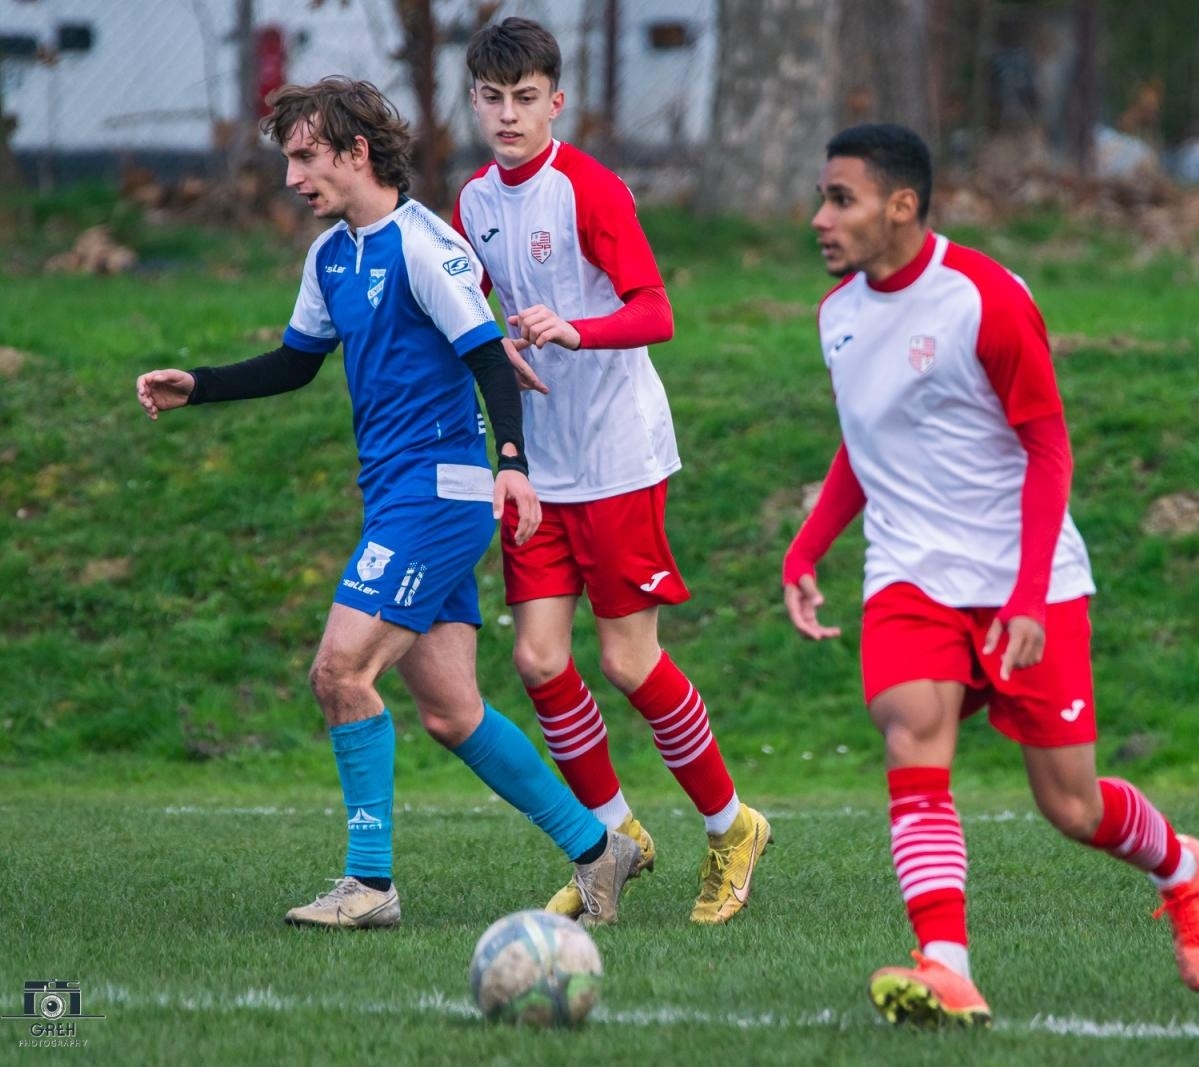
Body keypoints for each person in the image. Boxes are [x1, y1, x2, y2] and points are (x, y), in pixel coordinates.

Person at [134, 77, 639, 930]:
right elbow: (298, 362)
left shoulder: (424, 245)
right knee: (450, 710)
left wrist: (511, 464)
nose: (293, 177)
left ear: (355, 152)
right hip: (396, 500)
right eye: (288, 158)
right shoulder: (330, 256)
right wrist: (202, 386)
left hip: (437, 496)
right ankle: (600, 850)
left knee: (340, 671)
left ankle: (370, 883)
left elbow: (485, 355)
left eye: (305, 156)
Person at [783, 123, 1199, 1027]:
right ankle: (944, 962)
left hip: (1026, 573)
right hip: (910, 571)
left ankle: (1182, 866)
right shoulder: (838, 315)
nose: (821, 218)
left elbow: (1048, 442)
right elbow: (866, 442)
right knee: (913, 729)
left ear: (900, 207)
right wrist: (808, 545)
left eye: (841, 199)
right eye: (824, 198)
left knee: (1070, 803)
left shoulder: (984, 298)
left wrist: (1028, 596)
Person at [451, 18, 768, 925]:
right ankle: (617, 836)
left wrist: (575, 328)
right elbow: (483, 313)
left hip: (618, 457)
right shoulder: (474, 200)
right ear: (474, 101)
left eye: (525, 99)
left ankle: (731, 825)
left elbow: (658, 311)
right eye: (491, 98)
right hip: (538, 466)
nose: (508, 115)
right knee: (539, 658)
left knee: (630, 661)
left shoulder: (587, 188)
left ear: (557, 100)